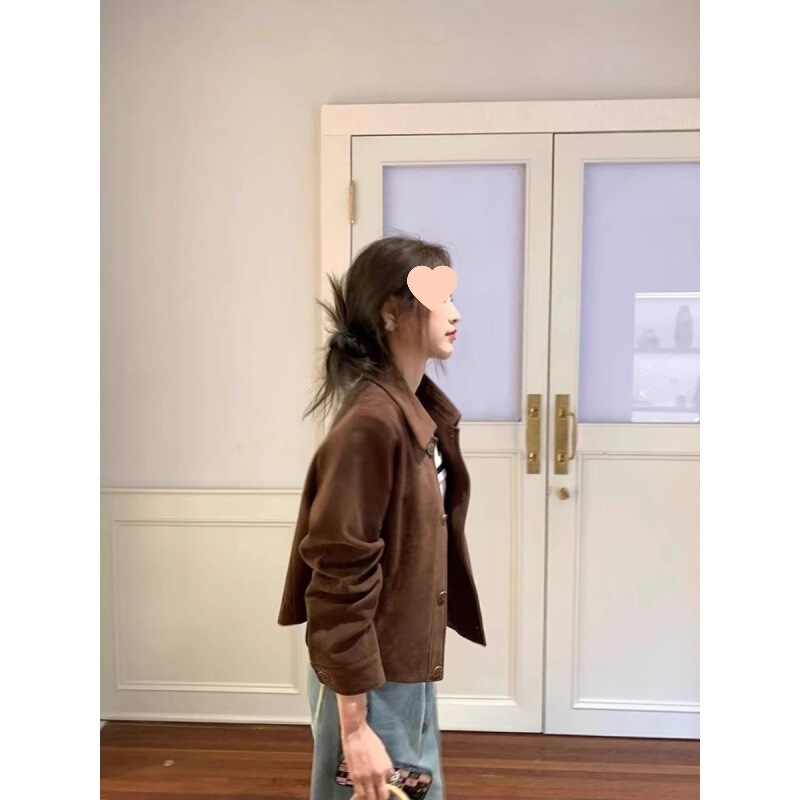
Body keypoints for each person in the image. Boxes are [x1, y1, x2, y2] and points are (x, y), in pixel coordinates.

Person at [277, 235, 487, 800]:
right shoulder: (372, 424)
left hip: (398, 666)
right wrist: (354, 726)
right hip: (369, 679)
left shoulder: (411, 411)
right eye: (439, 298)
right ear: (392, 311)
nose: (455, 313)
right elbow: (339, 575)